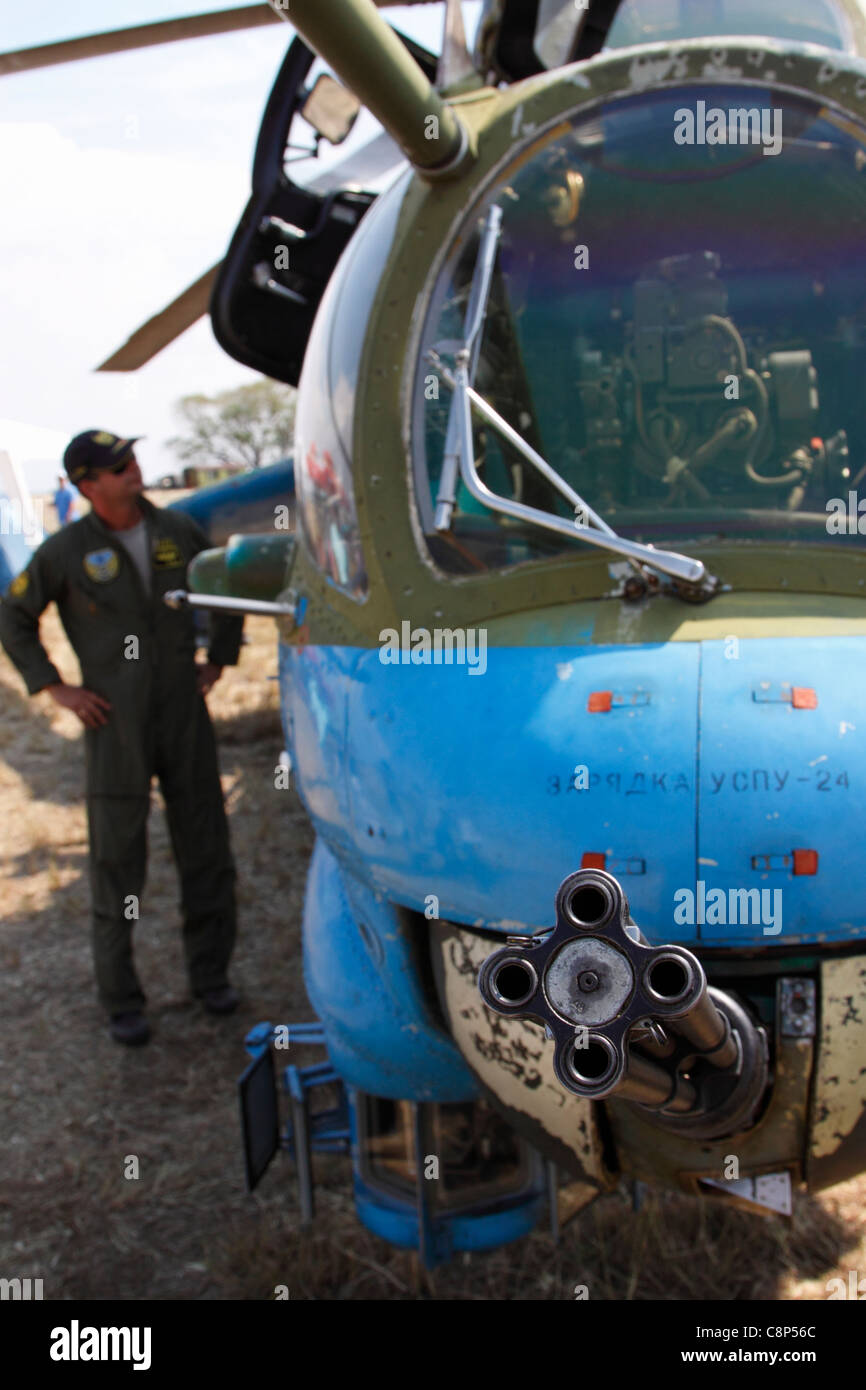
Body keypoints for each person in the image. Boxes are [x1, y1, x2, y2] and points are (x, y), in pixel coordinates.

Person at [0, 430, 244, 1045]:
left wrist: (218, 656)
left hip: (183, 716)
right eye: (117, 467)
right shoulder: (64, 551)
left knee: (207, 850)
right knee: (116, 865)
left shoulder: (179, 532)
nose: (133, 470)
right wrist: (54, 687)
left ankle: (211, 978)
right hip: (115, 727)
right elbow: (13, 615)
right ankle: (122, 1000)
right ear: (87, 485)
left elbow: (225, 585)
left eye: (132, 460)